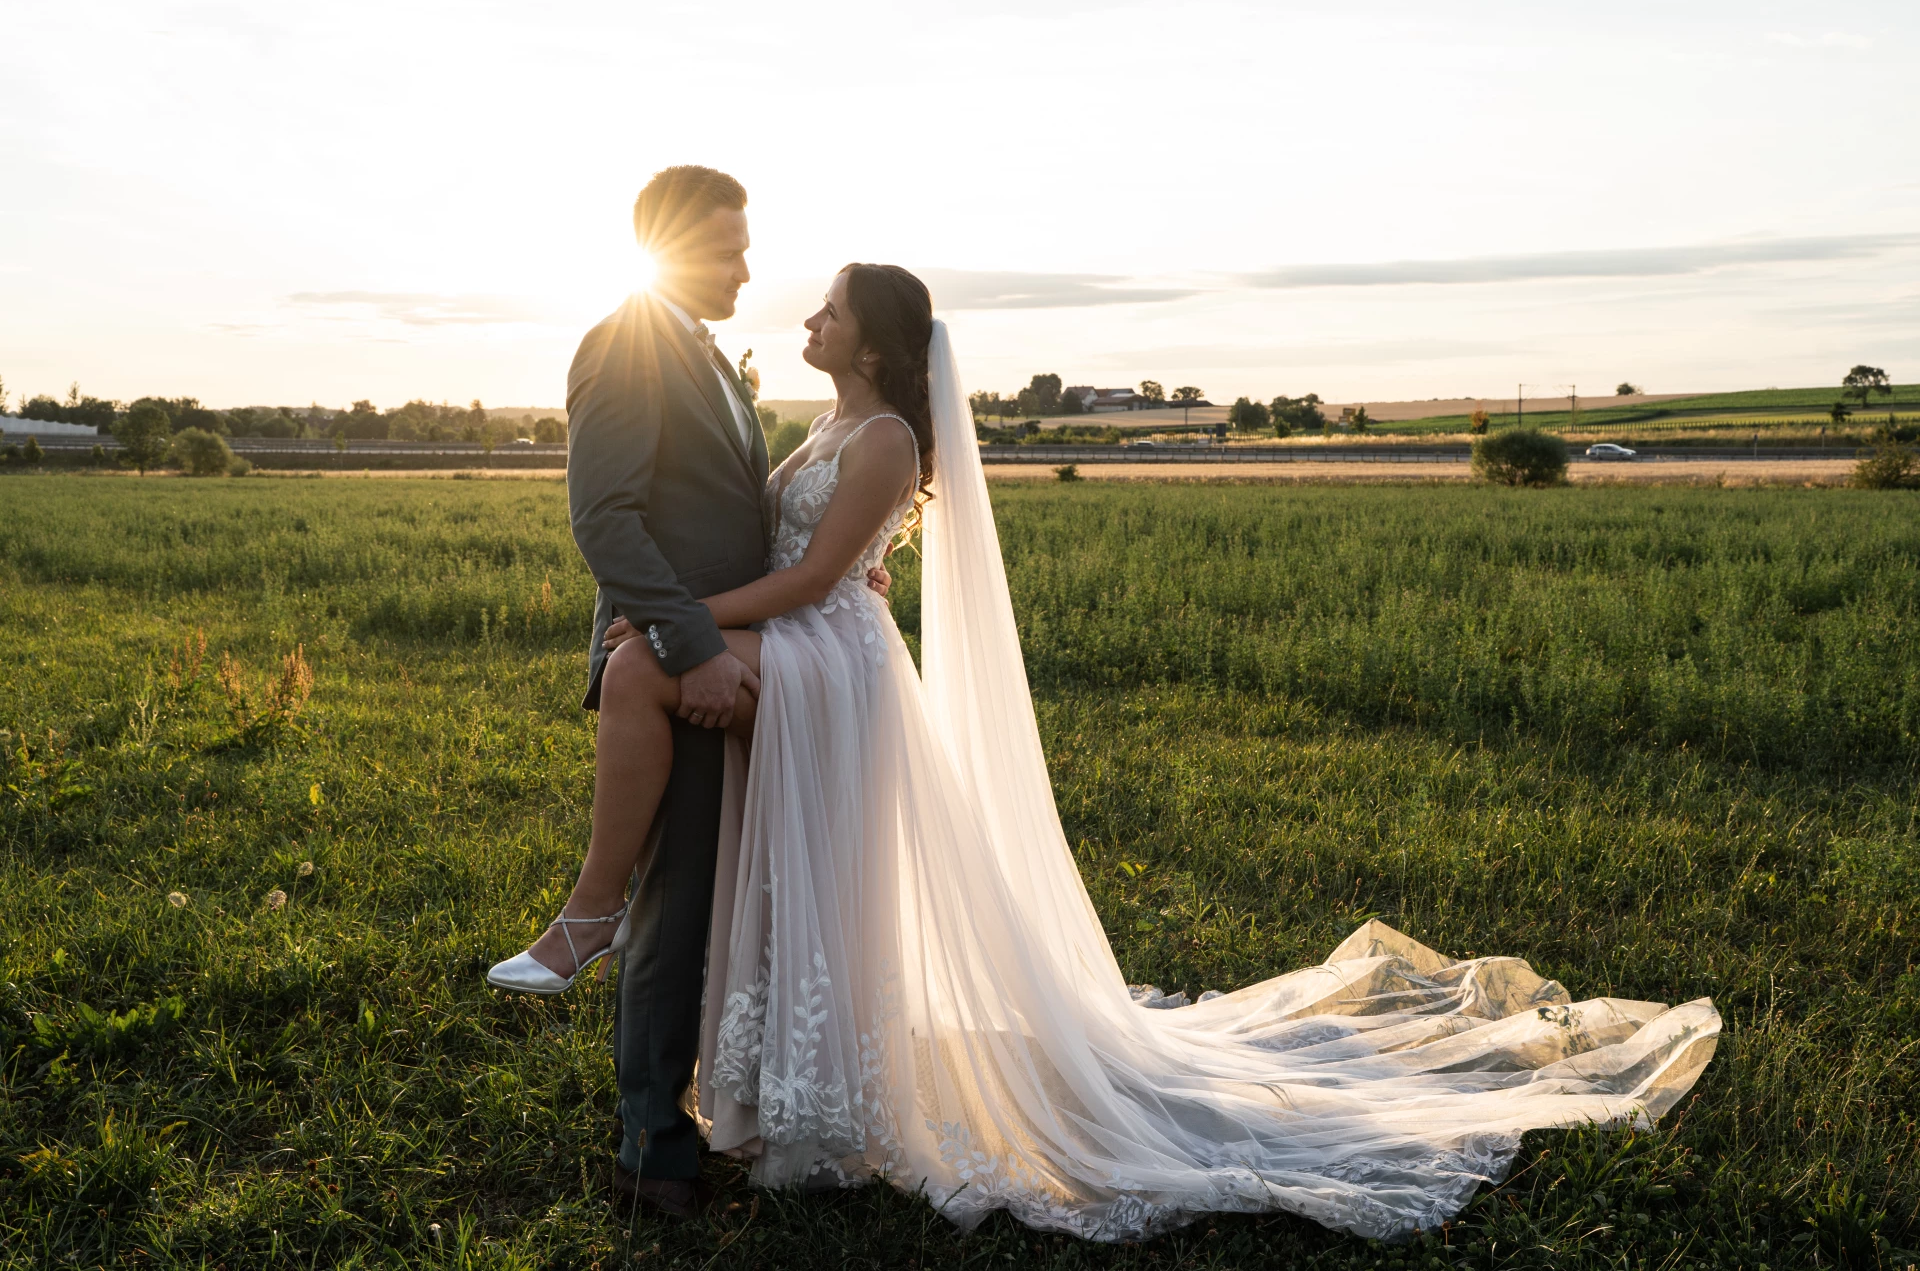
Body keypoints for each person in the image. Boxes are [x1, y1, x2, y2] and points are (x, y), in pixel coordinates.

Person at [514, 250, 1724, 1242]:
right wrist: (696, 611)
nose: (809, 315)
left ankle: (602, 913)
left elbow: (820, 573)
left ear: (875, 342)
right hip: (809, 642)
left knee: (645, 676)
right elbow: (789, 541)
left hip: (828, 649)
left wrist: (678, 620)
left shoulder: (879, 436)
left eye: (831, 306)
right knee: (779, 854)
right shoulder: (832, 426)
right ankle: (668, 982)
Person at [483, 166, 885, 1218]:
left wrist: (843, 567)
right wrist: (695, 640)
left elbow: (737, 513)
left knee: (710, 893)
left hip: (738, 648)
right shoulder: (625, 343)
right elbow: (607, 520)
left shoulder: (706, 357)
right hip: (687, 660)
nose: (747, 269)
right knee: (674, 900)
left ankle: (696, 1106)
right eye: (728, 250)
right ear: (667, 245)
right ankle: (653, 1151)